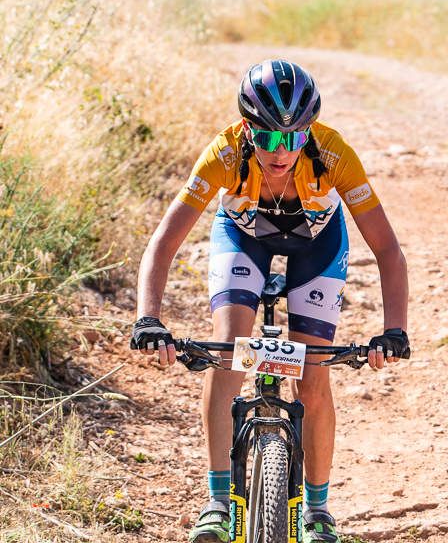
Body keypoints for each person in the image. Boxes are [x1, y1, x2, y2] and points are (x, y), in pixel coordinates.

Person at [130, 59, 410, 543]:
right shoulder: (222, 154)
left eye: (295, 138)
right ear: (246, 129)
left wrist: (395, 329)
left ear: (310, 132)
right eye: (268, 139)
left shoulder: (335, 153)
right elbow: (164, 241)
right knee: (229, 353)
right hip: (245, 239)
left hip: (317, 248)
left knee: (313, 377)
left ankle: (318, 510)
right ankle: (219, 502)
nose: (281, 152)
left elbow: (386, 247)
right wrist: (147, 318)